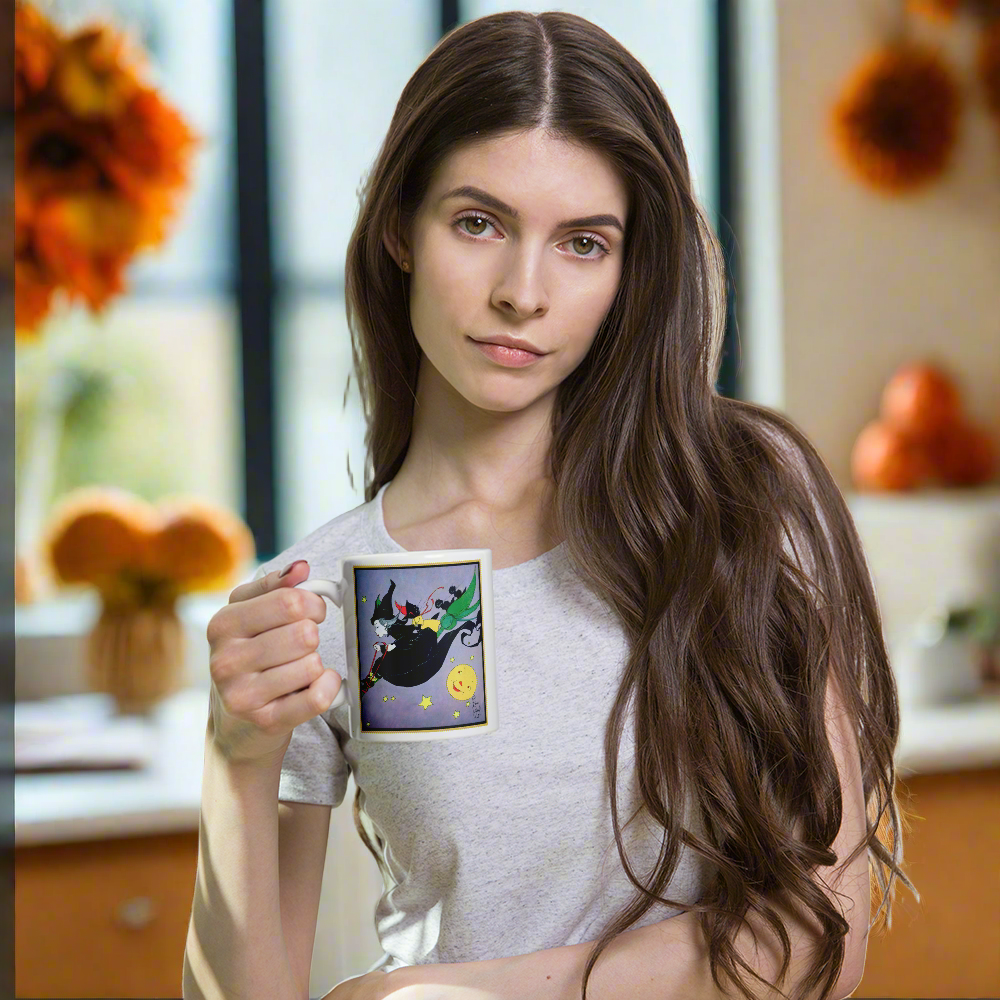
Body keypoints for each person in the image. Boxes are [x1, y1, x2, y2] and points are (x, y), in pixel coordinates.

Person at [182, 11, 919, 1000]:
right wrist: (235, 757)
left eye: (582, 243)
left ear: (628, 269)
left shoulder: (744, 500)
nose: (521, 293)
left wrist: (441, 995)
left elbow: (814, 936)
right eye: (478, 223)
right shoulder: (323, 600)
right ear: (400, 225)